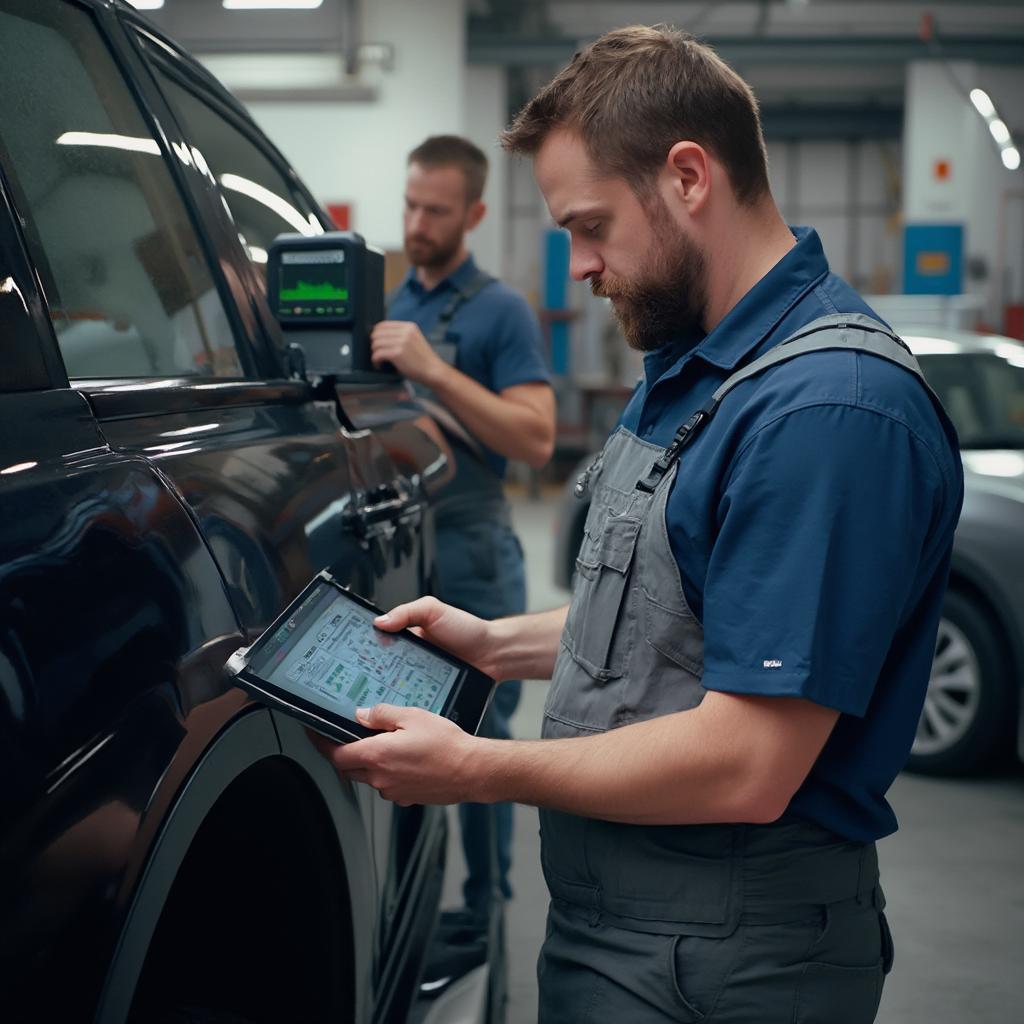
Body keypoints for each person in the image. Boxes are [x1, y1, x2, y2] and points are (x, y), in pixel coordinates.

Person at [319, 28, 964, 1022]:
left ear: (689, 178)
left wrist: (479, 769)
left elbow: (750, 762)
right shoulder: (694, 368)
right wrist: (496, 643)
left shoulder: (825, 411)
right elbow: (682, 614)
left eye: (589, 225)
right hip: (635, 925)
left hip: (724, 951)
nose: (575, 264)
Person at [372, 135, 555, 925]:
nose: (418, 222)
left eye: (436, 210)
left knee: (478, 730)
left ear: (473, 213)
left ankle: (485, 909)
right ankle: (407, 899)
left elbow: (537, 439)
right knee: (394, 722)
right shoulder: (390, 304)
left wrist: (436, 371)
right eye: (411, 205)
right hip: (403, 537)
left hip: (475, 542)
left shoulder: (500, 311)